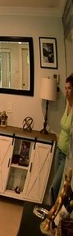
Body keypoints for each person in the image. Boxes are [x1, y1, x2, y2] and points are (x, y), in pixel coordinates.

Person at [48, 73, 73, 205]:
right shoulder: (67, 104)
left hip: (67, 156)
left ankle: (51, 216)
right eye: (65, 88)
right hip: (59, 150)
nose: (67, 91)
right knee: (56, 188)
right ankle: (51, 215)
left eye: (69, 88)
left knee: (54, 187)